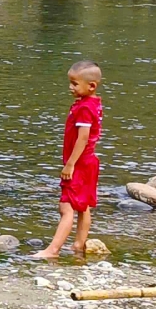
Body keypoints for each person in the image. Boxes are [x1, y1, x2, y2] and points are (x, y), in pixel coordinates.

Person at [35, 61, 104, 259]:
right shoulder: (93, 103)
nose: (70, 87)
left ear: (91, 86)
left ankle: (52, 250)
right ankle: (78, 245)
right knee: (83, 206)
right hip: (90, 161)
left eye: (75, 84)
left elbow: (83, 137)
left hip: (79, 164)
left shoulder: (84, 108)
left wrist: (70, 164)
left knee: (66, 207)